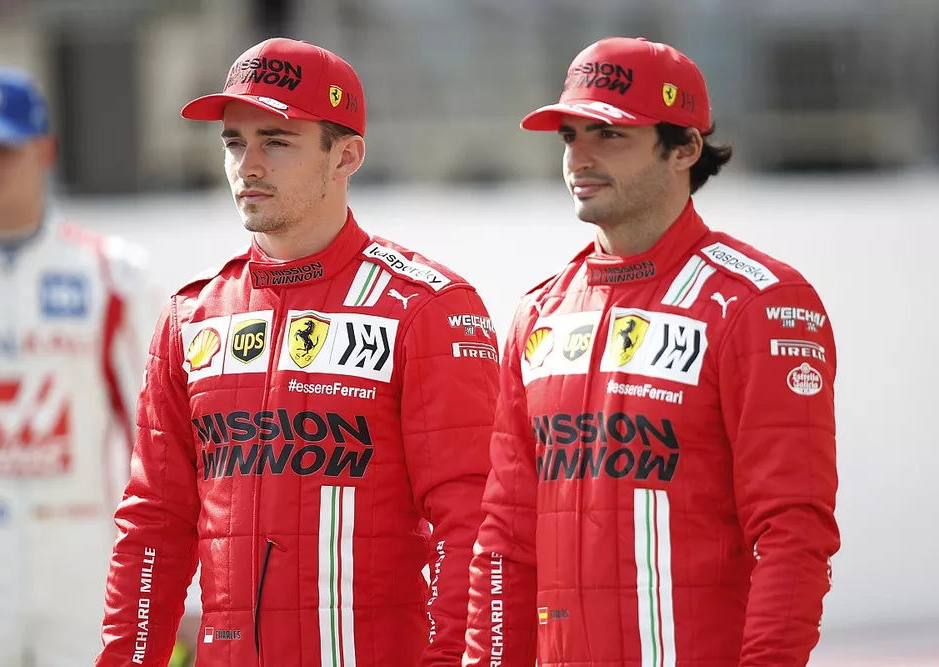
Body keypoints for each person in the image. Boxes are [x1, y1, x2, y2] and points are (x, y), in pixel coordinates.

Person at [95, 38, 500, 667]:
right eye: (234, 142)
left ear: (346, 156)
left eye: (276, 142)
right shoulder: (191, 313)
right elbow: (154, 525)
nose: (247, 165)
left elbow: (471, 521)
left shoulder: (426, 307)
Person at [463, 37, 840, 667]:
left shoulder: (758, 303)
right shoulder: (539, 314)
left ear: (685, 148)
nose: (579, 157)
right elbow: (505, 539)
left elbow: (792, 531)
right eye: (569, 136)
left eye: (609, 135)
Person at [0, 68, 163, 667]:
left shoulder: (114, 274)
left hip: (86, 552)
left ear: (44, 150)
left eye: (3, 148)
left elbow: (162, 436)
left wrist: (176, 576)